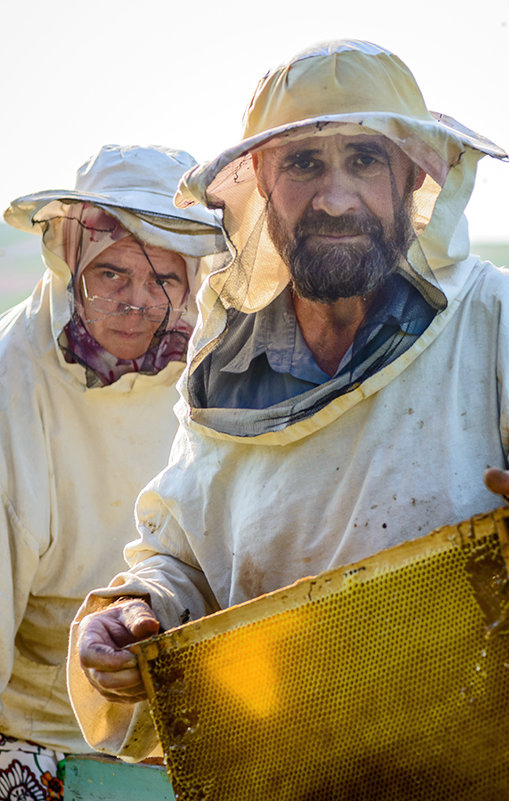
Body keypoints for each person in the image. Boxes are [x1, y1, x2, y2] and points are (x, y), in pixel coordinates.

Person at [69, 43, 509, 801]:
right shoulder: (225, 372)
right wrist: (134, 613)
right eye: (303, 164)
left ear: (414, 178)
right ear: (261, 188)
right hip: (285, 780)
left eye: (365, 160)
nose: (335, 198)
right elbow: (186, 561)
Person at [0, 144, 225, 797]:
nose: (138, 301)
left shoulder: (215, 370)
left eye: (164, 279)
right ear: (70, 260)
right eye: (112, 274)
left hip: (193, 735)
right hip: (42, 750)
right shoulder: (14, 389)